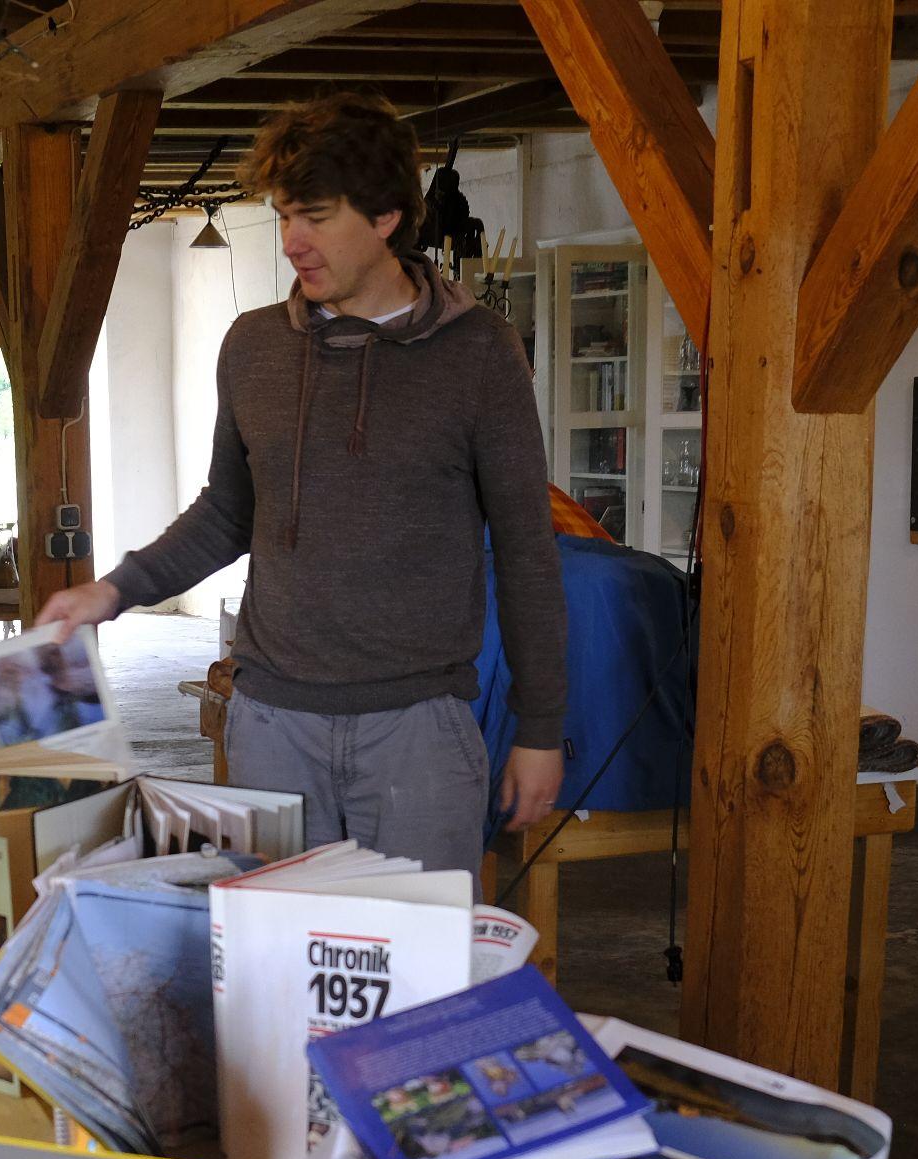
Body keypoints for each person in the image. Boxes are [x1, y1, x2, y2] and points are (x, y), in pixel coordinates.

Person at [33, 94, 567, 876]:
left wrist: (540, 729)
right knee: (273, 980)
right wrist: (114, 590)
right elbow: (225, 513)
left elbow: (526, 551)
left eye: (314, 217)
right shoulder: (254, 347)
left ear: (386, 215)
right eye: (283, 217)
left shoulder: (479, 354)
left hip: (419, 732)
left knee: (421, 987)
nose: (292, 242)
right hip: (269, 725)